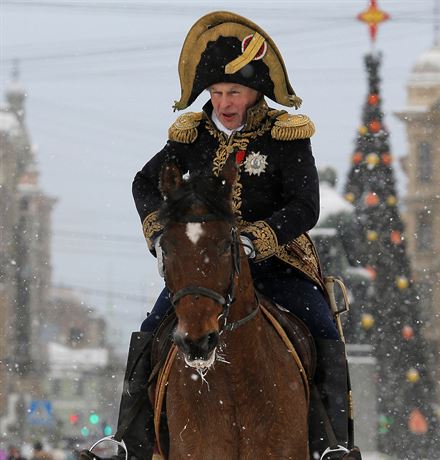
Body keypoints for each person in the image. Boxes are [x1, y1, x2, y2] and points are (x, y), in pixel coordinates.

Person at [81, 11, 357, 460]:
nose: (224, 102)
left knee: (322, 326)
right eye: (216, 92)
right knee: (153, 328)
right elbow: (144, 183)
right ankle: (128, 440)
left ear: (254, 92)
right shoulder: (192, 136)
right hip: (207, 266)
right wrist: (159, 234)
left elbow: (306, 206)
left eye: (233, 92)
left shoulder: (285, 136)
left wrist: (257, 239)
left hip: (278, 263)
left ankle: (331, 444)